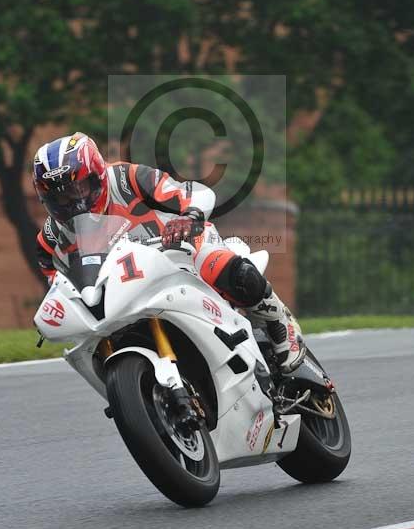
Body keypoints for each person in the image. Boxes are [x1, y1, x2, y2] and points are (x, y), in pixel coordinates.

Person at [33, 131, 305, 374]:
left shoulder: (127, 179)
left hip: (178, 250)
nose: (73, 201)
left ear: (98, 176)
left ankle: (279, 323)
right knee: (90, 342)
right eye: (59, 197)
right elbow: (55, 279)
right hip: (123, 288)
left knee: (220, 265)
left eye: (78, 188)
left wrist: (191, 215)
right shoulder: (51, 236)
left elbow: (193, 193)